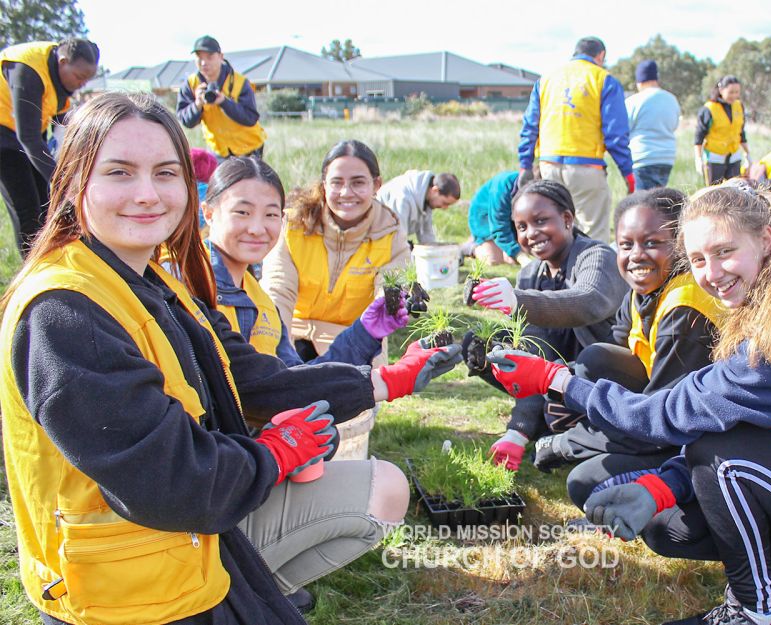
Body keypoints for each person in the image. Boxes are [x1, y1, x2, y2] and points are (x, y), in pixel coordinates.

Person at [0, 91, 461, 625]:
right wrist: (274, 455)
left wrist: (381, 381)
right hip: (126, 592)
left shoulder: (152, 283)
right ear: (76, 182)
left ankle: (258, 586)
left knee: (378, 488)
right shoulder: (66, 313)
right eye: (120, 173)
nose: (147, 194)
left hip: (186, 535)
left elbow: (257, 378)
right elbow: (171, 479)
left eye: (166, 173)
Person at [487, 180, 771, 625]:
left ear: (766, 238)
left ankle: (754, 610)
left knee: (718, 456)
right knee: (670, 528)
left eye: (724, 252)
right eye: (699, 259)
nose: (711, 274)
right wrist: (661, 487)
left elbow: (667, 414)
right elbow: (738, 424)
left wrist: (556, 378)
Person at [531, 189, 721, 507]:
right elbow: (609, 357)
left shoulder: (686, 309)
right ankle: (613, 447)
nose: (636, 255)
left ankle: (675, 483)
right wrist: (566, 394)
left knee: (585, 484)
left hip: (693, 434)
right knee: (593, 360)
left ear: (682, 245)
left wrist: (571, 443)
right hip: (656, 410)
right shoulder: (642, 291)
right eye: (625, 244)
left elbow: (663, 419)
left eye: (652, 243)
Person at [471, 179, 628, 471]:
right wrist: (516, 432)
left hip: (607, 377)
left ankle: (582, 421)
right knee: (485, 346)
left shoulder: (597, 256)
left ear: (567, 219)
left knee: (588, 365)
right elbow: (532, 355)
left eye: (541, 221)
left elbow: (588, 301)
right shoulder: (530, 274)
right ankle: (544, 419)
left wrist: (519, 301)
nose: (531, 233)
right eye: (521, 227)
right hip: (559, 373)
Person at [202, 157, 409, 368]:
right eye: (242, 213)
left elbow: (295, 378)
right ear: (208, 213)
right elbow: (250, 383)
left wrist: (366, 333)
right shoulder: (189, 288)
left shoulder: (261, 303)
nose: (257, 228)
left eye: (270, 214)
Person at [261, 140, 410, 361]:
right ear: (324, 186)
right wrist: (279, 348)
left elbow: (388, 296)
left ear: (377, 185)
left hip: (357, 338)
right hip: (293, 332)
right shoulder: (293, 225)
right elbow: (277, 291)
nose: (346, 192)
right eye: (336, 183)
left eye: (358, 183)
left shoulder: (390, 234)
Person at [517, 36, 634, 243]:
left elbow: (530, 125)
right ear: (601, 56)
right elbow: (615, 134)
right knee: (593, 232)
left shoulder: (546, 80)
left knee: (555, 229)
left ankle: (555, 275)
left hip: (548, 165)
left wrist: (525, 164)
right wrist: (627, 172)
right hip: (587, 166)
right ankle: (592, 273)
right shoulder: (603, 79)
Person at [0, 38, 98, 254]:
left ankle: (55, 257)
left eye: (87, 80)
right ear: (63, 62)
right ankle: (34, 271)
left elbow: (63, 128)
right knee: (27, 207)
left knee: (47, 204)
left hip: (27, 135)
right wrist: (63, 180)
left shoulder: (62, 81)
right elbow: (28, 138)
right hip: (5, 138)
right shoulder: (28, 70)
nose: (82, 84)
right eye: (80, 77)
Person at [177, 35, 266, 160]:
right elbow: (186, 121)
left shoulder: (240, 82)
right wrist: (197, 104)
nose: (203, 63)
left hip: (249, 148)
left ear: (221, 57)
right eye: (199, 57)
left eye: (209, 57)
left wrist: (224, 102)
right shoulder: (191, 85)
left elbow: (251, 118)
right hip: (218, 151)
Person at [625, 60, 680, 190]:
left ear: (639, 81)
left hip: (643, 157)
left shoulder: (633, 101)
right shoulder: (671, 99)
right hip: (667, 157)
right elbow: (674, 125)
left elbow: (625, 129)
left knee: (643, 204)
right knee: (660, 201)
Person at [376, 169, 461, 244]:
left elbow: (427, 237)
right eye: (445, 203)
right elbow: (397, 240)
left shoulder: (426, 199)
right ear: (435, 190)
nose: (445, 208)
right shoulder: (402, 198)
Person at [694, 75, 749, 185]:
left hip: (734, 157)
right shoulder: (709, 109)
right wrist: (698, 159)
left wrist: (748, 155)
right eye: (731, 92)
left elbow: (741, 133)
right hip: (714, 158)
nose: (734, 95)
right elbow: (699, 137)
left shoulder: (739, 106)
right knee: (714, 194)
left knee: (736, 192)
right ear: (721, 90)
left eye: (737, 92)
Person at [465, 170, 527, 265]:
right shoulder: (501, 188)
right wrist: (520, 256)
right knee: (493, 259)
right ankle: (470, 248)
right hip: (484, 217)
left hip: (508, 217)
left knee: (512, 258)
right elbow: (499, 228)